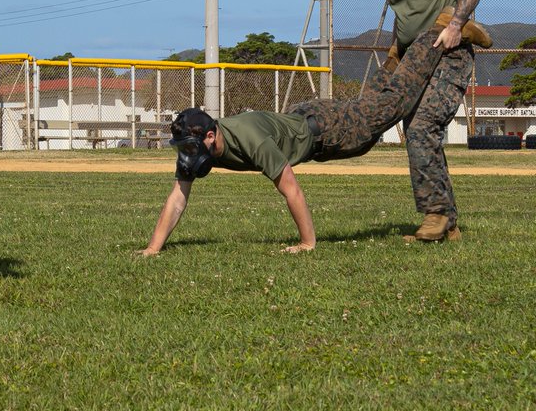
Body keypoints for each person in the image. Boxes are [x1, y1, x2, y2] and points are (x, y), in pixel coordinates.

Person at [142, 14, 493, 256]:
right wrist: (153, 248)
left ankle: (441, 33)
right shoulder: (198, 148)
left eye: (189, 146)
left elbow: (290, 187)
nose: (185, 156)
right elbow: (177, 198)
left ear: (209, 135)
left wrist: (308, 243)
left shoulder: (247, 138)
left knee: (391, 108)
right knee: (376, 106)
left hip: (327, 130)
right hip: (306, 120)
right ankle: (397, 56)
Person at [363, 0, 488, 241]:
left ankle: (435, 215)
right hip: (413, 59)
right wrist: (394, 55)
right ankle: (448, 223)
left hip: (449, 53)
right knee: (414, 131)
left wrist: (457, 24)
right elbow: (403, 16)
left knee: (422, 128)